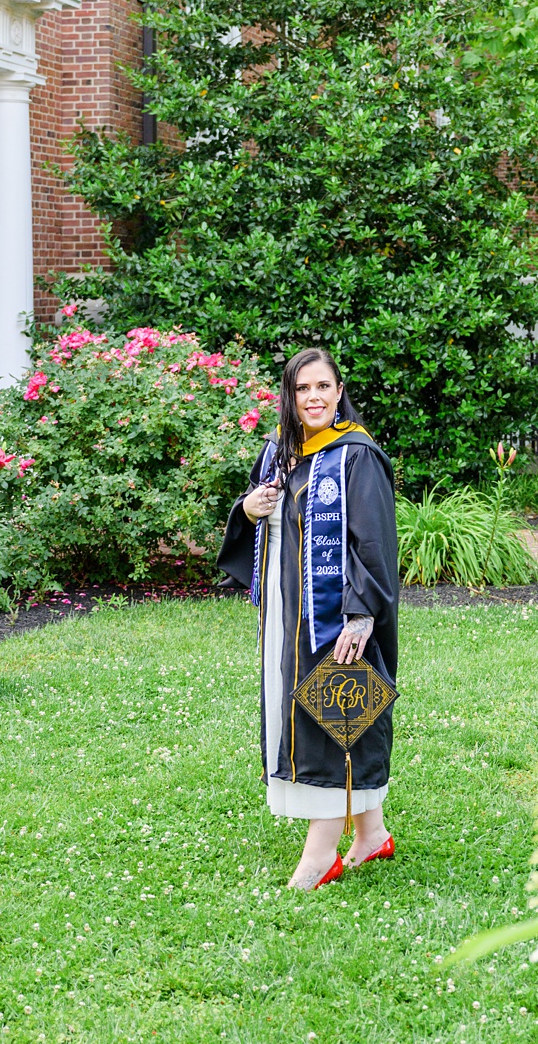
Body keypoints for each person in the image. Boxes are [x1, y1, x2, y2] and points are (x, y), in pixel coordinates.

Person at [218, 347, 403, 890]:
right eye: (303, 390)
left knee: (334, 717)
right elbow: (260, 519)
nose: (314, 398)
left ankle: (320, 855)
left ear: (339, 391)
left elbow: (375, 543)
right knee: (328, 713)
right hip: (287, 612)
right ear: (290, 396)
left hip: (339, 615)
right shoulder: (280, 451)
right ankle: (371, 835)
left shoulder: (355, 456)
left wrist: (361, 615)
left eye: (323, 387)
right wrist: (247, 509)